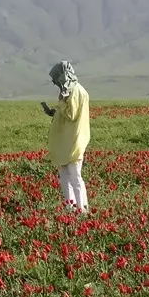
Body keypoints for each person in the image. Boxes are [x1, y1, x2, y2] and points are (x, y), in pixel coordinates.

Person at [41, 61, 90, 213]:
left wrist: (62, 101)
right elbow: (65, 113)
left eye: (56, 79)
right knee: (65, 177)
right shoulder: (70, 90)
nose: (56, 83)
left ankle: (81, 209)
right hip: (66, 140)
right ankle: (70, 207)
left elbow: (71, 114)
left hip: (73, 140)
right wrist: (54, 112)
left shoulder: (75, 90)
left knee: (75, 176)